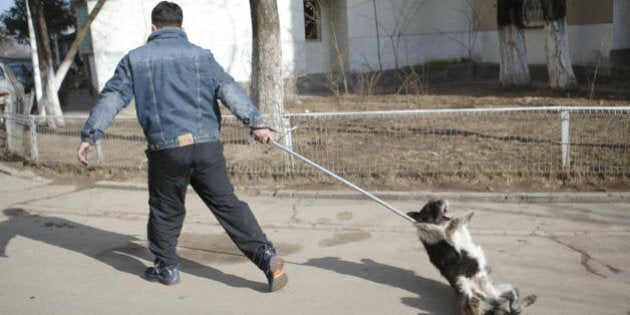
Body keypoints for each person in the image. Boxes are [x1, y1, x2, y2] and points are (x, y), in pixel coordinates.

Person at [76, 1, 287, 292]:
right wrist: (257, 123)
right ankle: (267, 257)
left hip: (167, 150)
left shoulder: (135, 59)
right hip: (207, 147)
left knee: (166, 209)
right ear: (182, 27)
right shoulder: (202, 56)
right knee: (228, 205)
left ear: (153, 28)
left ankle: (167, 268)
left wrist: (90, 135)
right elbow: (229, 89)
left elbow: (112, 98)